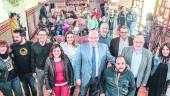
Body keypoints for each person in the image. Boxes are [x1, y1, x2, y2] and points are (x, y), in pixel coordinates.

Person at [74, 29, 115, 96]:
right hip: (85, 77)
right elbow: (77, 64)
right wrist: (78, 78)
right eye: (91, 38)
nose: (93, 40)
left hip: (97, 77)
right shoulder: (81, 47)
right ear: (88, 38)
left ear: (98, 38)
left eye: (95, 38)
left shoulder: (104, 47)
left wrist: (122, 63)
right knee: (82, 94)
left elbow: (111, 58)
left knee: (93, 94)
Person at [11, 28, 37, 96]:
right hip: (21, 74)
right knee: (26, 90)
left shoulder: (30, 44)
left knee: (34, 89)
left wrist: (34, 71)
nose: (15, 39)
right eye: (14, 37)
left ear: (23, 36)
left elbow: (34, 58)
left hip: (31, 73)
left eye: (17, 37)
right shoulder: (13, 46)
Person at [31, 29, 53, 96]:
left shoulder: (50, 45)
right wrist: (33, 71)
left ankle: (51, 94)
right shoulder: (33, 46)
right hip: (39, 70)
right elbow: (32, 59)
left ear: (46, 36)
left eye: (43, 35)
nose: (42, 36)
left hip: (49, 69)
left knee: (50, 85)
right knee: (40, 86)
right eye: (40, 35)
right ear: (37, 36)